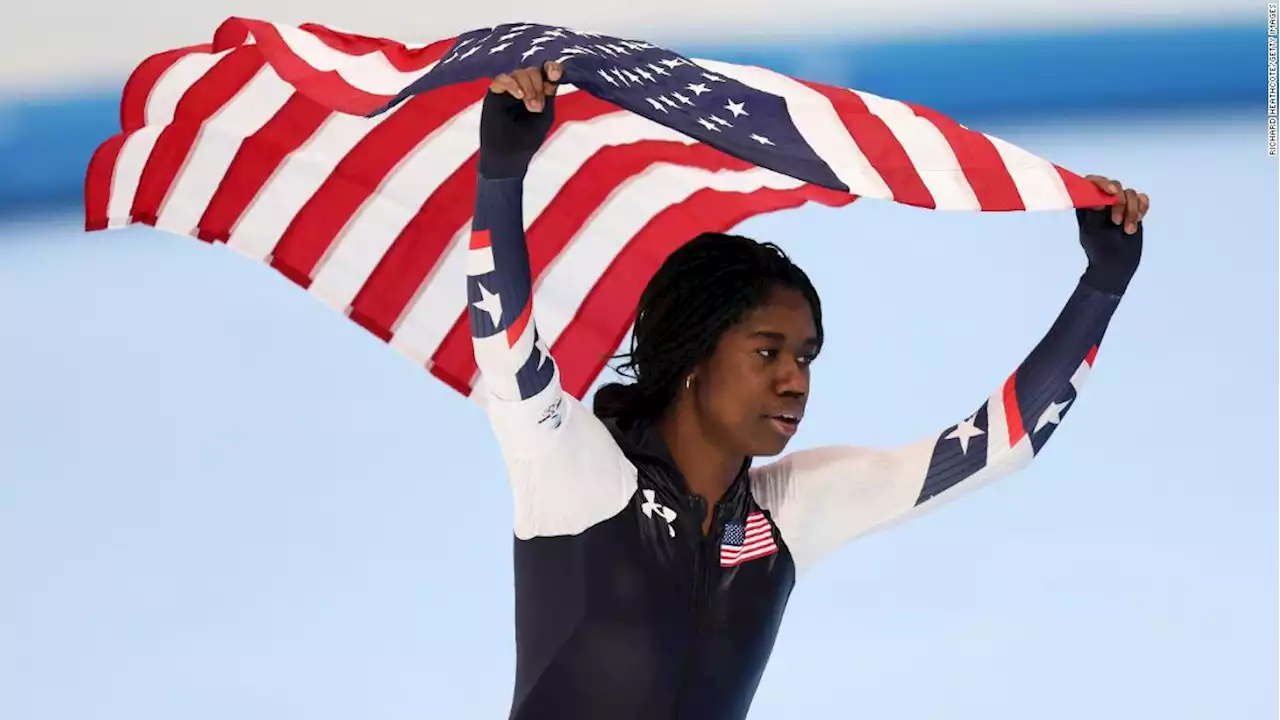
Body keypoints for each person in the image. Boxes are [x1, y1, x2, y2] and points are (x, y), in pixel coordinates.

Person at [468, 61, 1149, 720]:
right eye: (768, 352)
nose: (796, 380)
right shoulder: (579, 476)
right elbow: (506, 349)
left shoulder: (779, 519)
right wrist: (502, 171)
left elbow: (1001, 444)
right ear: (695, 357)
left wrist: (1102, 285)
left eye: (806, 356)